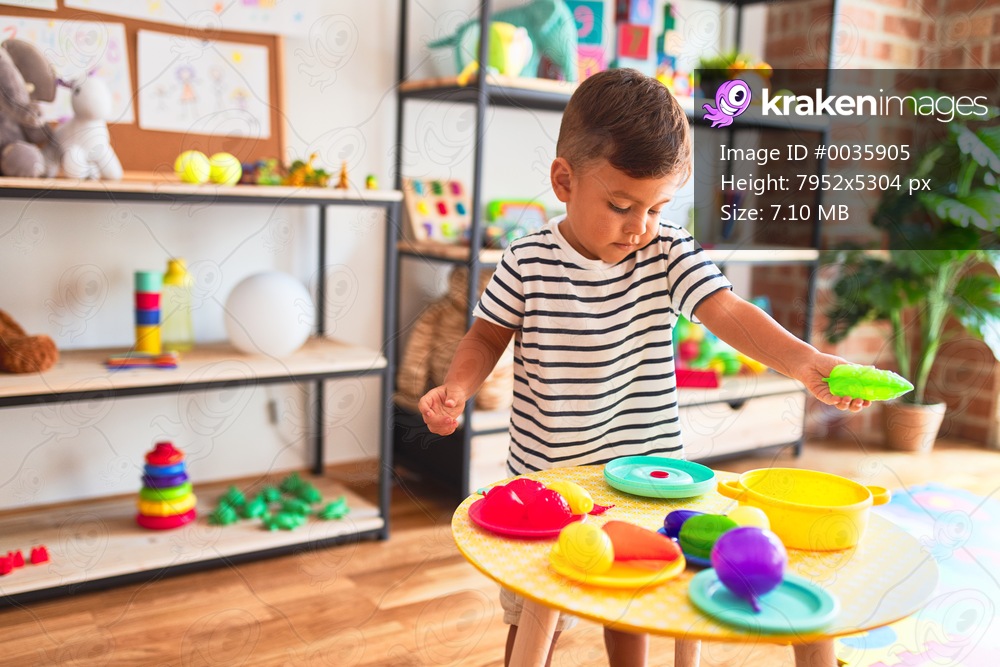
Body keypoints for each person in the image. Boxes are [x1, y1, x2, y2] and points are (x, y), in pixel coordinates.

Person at [419, 68, 869, 667]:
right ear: (564, 181)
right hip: (549, 481)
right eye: (621, 205)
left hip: (646, 474)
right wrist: (457, 387)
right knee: (535, 611)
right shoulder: (526, 260)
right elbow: (485, 335)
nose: (639, 227)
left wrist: (804, 361)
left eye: (657, 207)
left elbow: (728, 311)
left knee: (630, 598)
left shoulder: (668, 250)